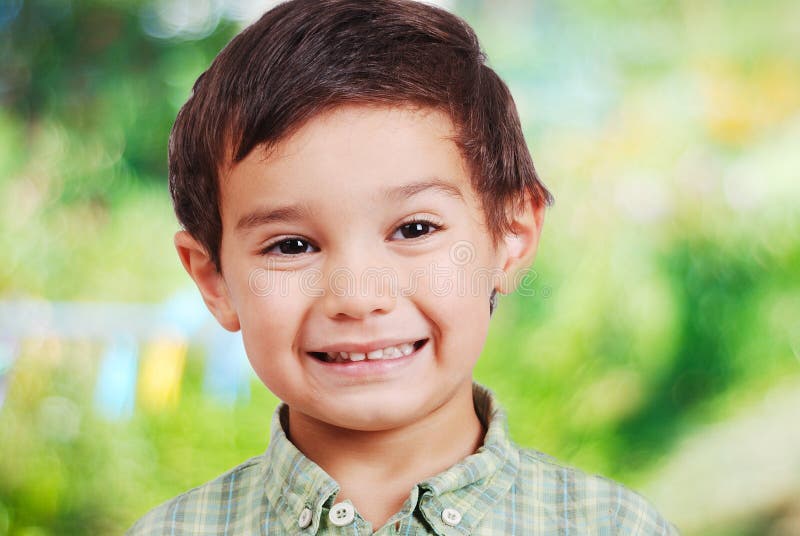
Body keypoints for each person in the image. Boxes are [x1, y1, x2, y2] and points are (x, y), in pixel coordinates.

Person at [127, 0, 678, 533]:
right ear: (214, 280)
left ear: (510, 236)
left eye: (414, 230)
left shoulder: (616, 527)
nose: (358, 297)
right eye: (291, 246)